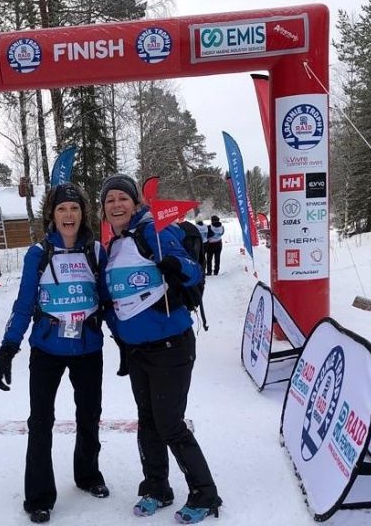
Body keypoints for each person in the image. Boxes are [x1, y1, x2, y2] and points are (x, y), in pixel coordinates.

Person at [101, 174, 222, 525]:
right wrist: (120, 337)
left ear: (136, 203)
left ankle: (205, 493)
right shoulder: (114, 245)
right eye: (110, 201)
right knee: (149, 424)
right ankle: (156, 487)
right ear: (104, 210)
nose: (117, 205)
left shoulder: (155, 232)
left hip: (171, 346)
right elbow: (116, 299)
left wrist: (175, 266)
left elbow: (193, 272)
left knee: (169, 424)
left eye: (123, 198)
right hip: (138, 352)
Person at [0, 182, 110, 524]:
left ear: (83, 213)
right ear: (52, 215)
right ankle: (40, 496)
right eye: (62, 209)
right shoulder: (38, 254)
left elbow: (109, 301)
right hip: (47, 348)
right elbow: (24, 303)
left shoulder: (97, 252)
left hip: (88, 346)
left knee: (89, 414)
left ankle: (88, 474)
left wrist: (128, 345)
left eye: (74, 208)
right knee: (41, 421)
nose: (69, 214)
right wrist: (8, 348)